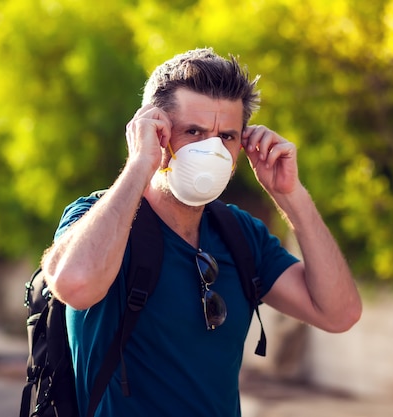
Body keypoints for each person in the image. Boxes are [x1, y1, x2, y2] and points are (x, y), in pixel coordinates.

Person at [41, 48, 362, 417]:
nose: (211, 150)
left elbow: (340, 314)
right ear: (154, 129)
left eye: (226, 136)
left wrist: (291, 197)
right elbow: (75, 285)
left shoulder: (240, 234)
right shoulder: (98, 220)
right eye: (193, 131)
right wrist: (140, 164)